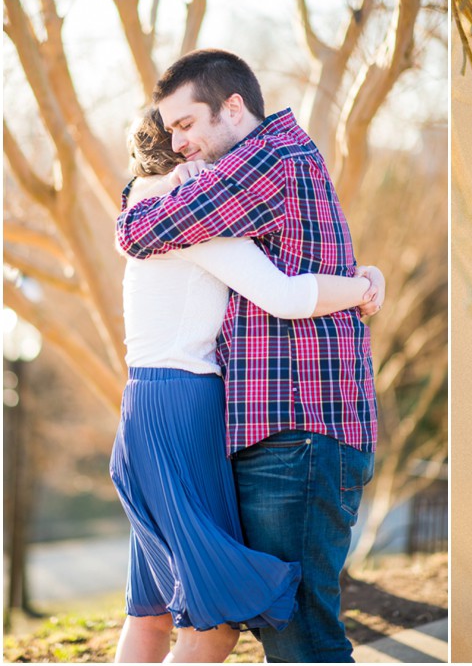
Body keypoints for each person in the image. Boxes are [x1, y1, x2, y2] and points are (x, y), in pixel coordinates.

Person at [117, 49, 379, 663]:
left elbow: (141, 229)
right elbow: (139, 226)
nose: (182, 144)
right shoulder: (231, 184)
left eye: (188, 125)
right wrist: (364, 284)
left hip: (276, 425)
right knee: (210, 622)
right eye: (172, 132)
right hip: (196, 411)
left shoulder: (259, 164)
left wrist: (364, 282)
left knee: (183, 618)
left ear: (233, 108)